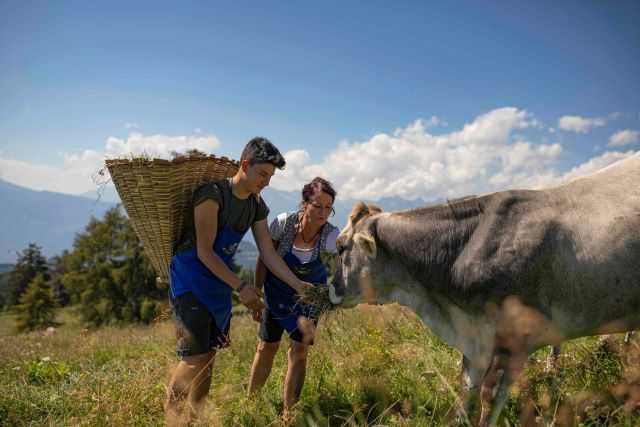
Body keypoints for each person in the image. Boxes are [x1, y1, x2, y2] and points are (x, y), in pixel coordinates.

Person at [165, 137, 314, 426]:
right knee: (193, 358)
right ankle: (172, 420)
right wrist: (242, 287)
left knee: (208, 358)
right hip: (190, 283)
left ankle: (195, 419)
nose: (266, 182)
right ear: (245, 165)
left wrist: (297, 284)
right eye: (262, 174)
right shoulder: (212, 195)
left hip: (219, 288)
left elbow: (268, 252)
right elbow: (204, 252)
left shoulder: (256, 205)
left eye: (271, 177)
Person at [248, 177, 340, 413]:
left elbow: (342, 264)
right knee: (267, 346)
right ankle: (251, 402)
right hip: (276, 291)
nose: (323, 212)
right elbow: (264, 257)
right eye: (317, 205)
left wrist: (334, 290)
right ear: (304, 204)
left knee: (299, 351)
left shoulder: (331, 235)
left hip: (309, 296)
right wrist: (257, 292)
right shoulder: (283, 223)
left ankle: (289, 413)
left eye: (328, 207)